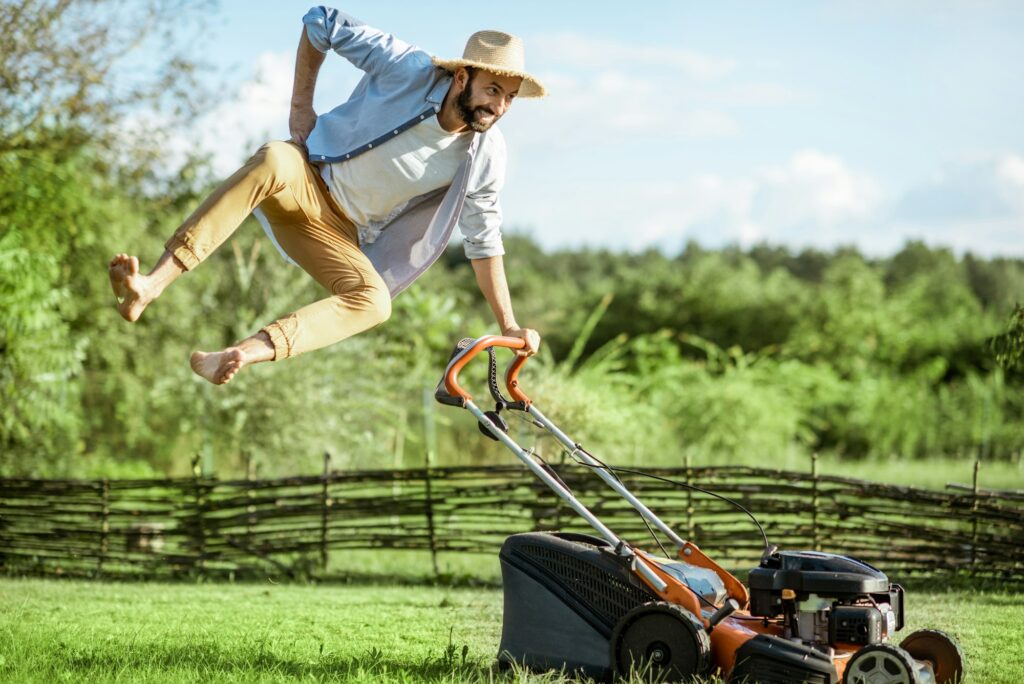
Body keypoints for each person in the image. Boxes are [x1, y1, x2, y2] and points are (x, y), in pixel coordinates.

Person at [108, 6, 544, 385]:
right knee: (275, 158)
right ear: (462, 76)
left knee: (375, 303)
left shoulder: (486, 155)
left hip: (340, 235)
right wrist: (301, 105)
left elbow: (484, 244)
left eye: (509, 98)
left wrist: (509, 324)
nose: (500, 107)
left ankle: (237, 354)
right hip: (304, 181)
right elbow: (322, 21)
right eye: (492, 90)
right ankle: (149, 287)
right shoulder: (409, 67)